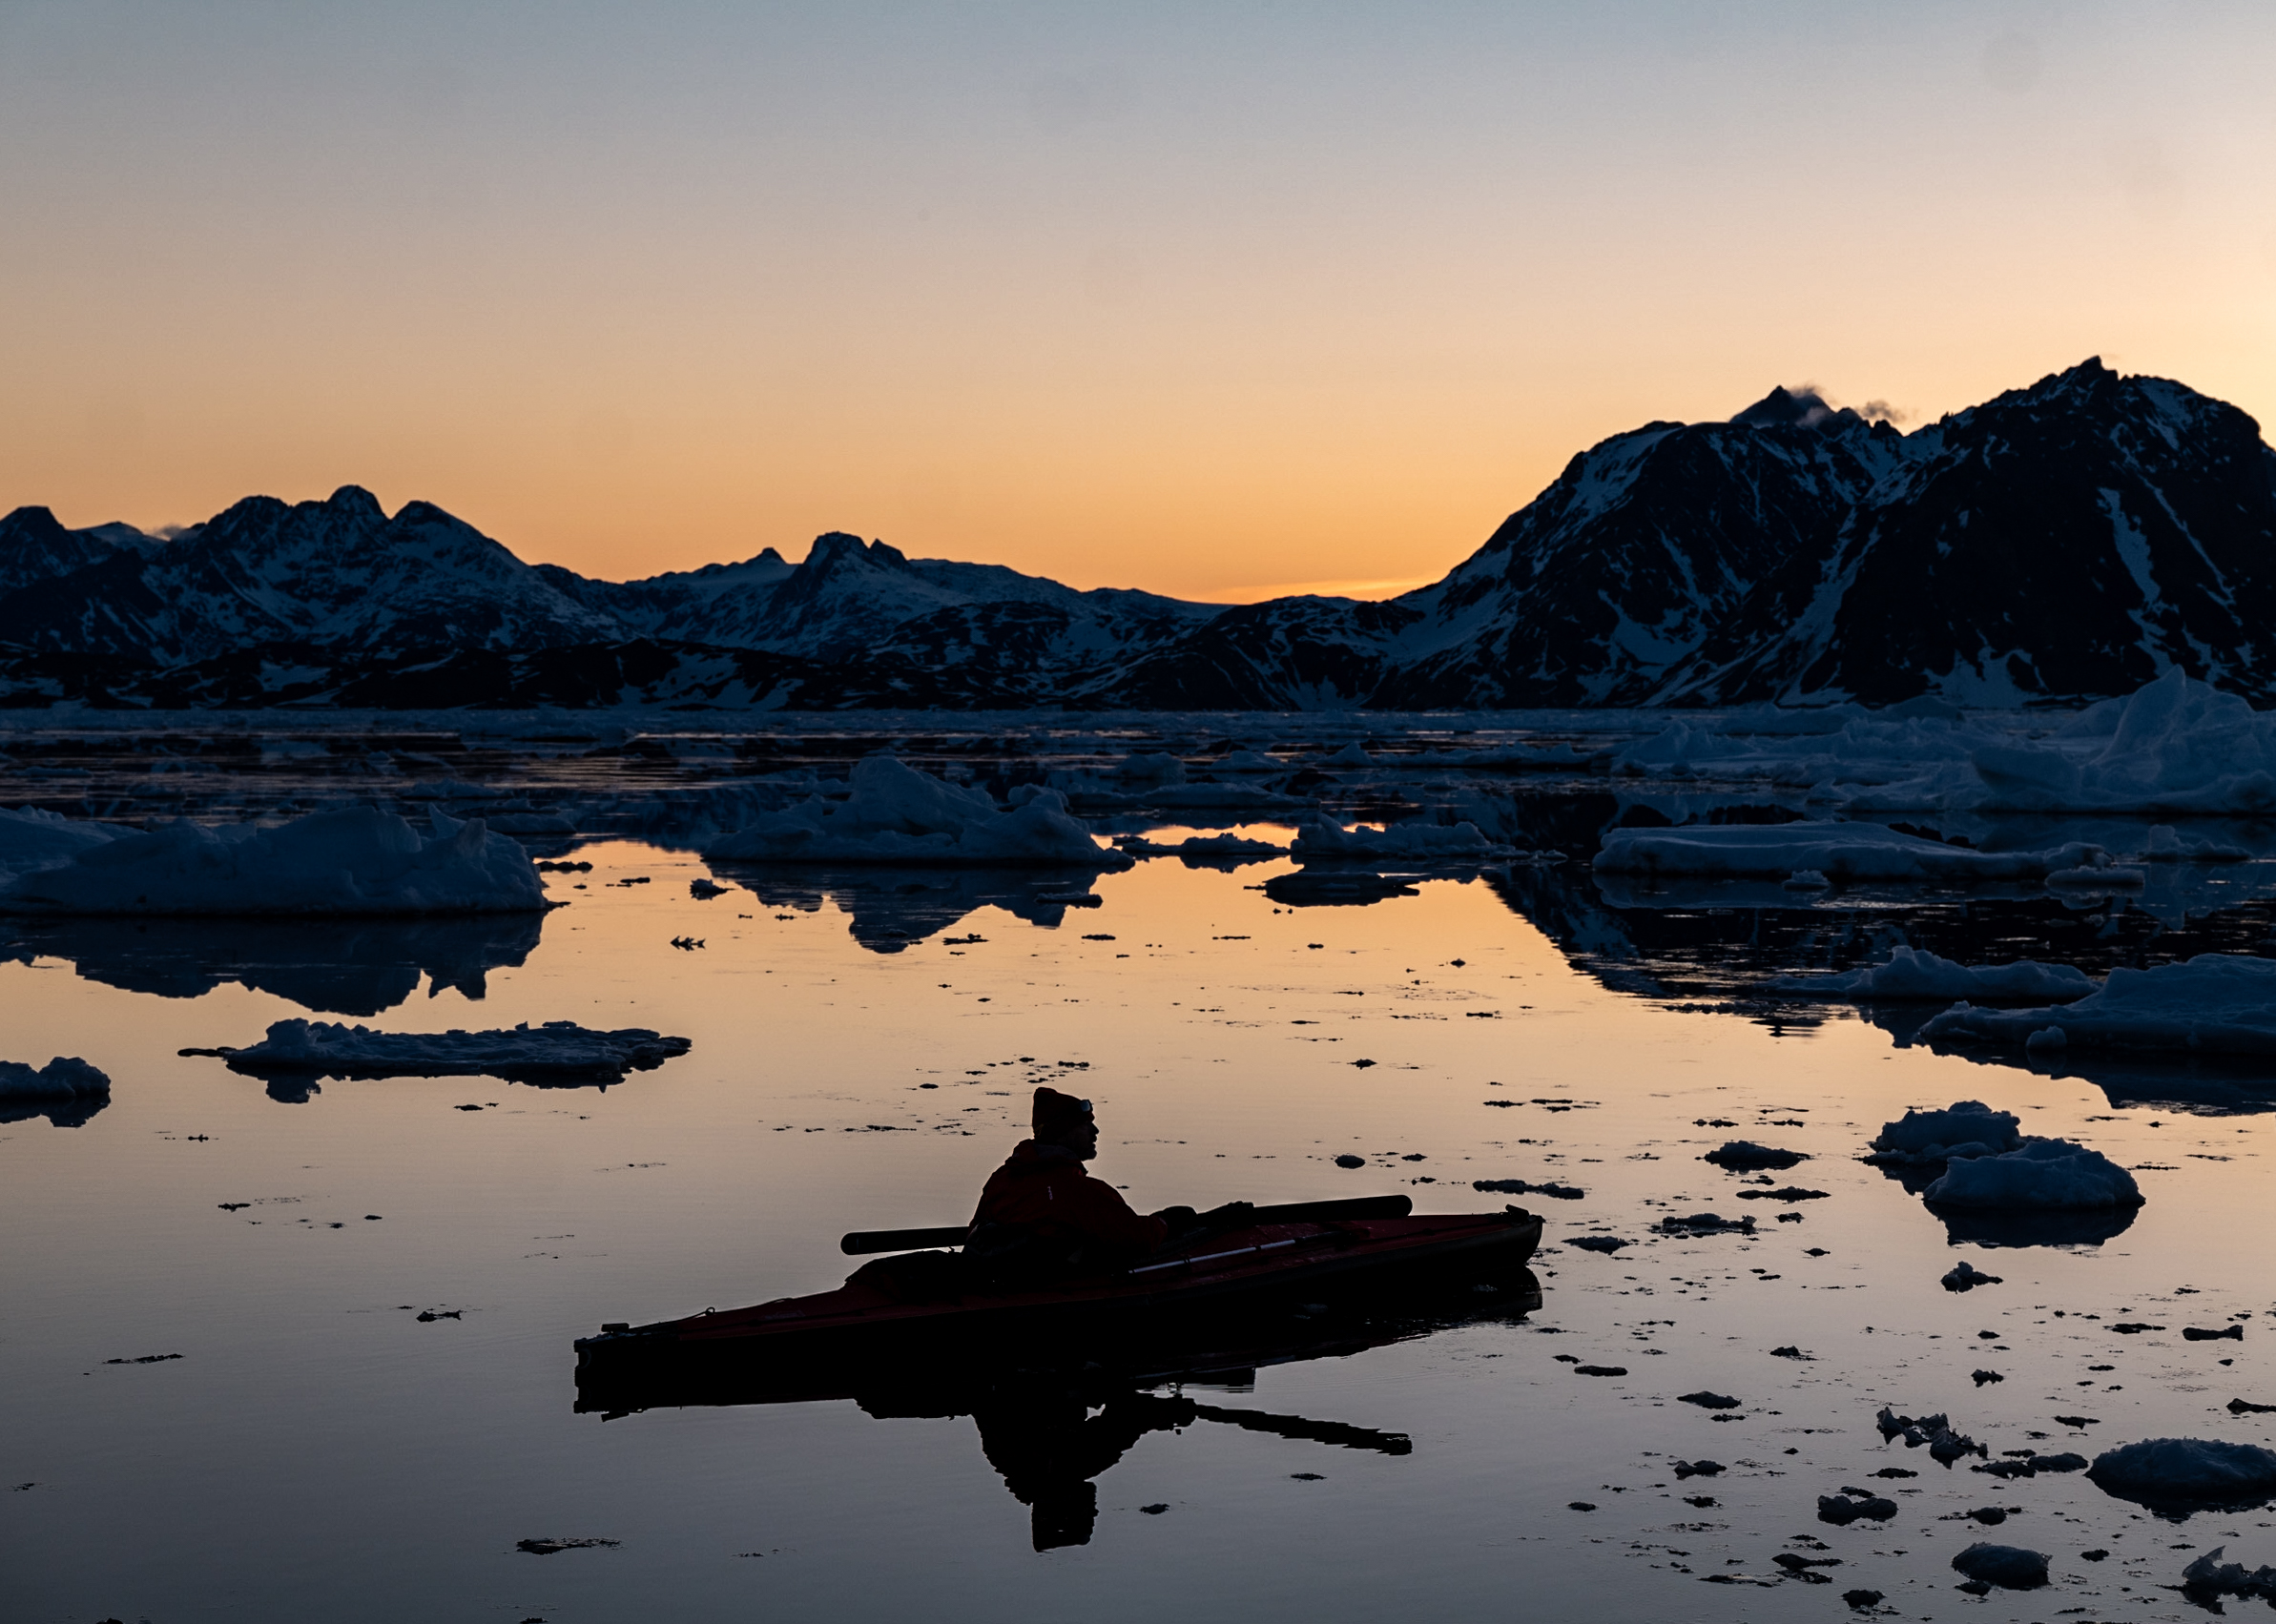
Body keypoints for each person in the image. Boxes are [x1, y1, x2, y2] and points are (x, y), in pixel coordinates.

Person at [966, 1087, 1191, 1277]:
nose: (1095, 1131)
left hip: (1000, 1279)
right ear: (1063, 1133)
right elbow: (1140, 1238)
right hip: (1046, 1285)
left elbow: (974, 1232)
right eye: (1085, 1125)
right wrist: (1165, 1221)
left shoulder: (1001, 1178)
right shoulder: (1075, 1190)